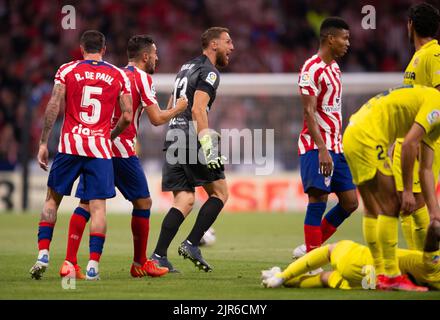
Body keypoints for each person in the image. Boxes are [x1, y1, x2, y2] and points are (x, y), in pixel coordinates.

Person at [57, 35, 188, 280]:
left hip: (97, 148)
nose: (157, 58)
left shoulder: (113, 73)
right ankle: (139, 263)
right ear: (146, 56)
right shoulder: (142, 79)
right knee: (143, 203)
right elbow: (157, 119)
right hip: (122, 151)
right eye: (155, 54)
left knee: (86, 203)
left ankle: (70, 262)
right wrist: (178, 108)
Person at [29, 30, 133, 280]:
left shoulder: (67, 70)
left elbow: (54, 104)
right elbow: (128, 115)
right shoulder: (118, 75)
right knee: (98, 209)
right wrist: (109, 136)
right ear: (104, 49)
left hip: (69, 146)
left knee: (52, 200)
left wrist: (44, 142)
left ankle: (43, 254)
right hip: (99, 149)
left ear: (81, 48)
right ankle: (93, 266)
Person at [150, 27, 234, 272]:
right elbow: (197, 110)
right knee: (219, 193)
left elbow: (172, 105)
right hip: (189, 137)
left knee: (185, 199)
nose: (232, 47)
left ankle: (158, 255)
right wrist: (208, 147)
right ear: (214, 45)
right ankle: (192, 243)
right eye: (228, 42)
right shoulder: (209, 72)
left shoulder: (185, 68)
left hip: (174, 136)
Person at [342, 84, 440, 291]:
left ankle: (381, 275)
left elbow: (425, 169)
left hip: (354, 132)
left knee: (372, 209)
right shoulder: (436, 104)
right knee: (392, 205)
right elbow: (408, 144)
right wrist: (406, 190)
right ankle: (392, 275)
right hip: (367, 137)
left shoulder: (433, 116)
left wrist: (434, 213)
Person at [294, 17, 358, 259]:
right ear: (331, 39)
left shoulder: (334, 68)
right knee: (318, 198)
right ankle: (312, 259)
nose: (347, 43)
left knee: (350, 202)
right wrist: (322, 149)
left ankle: (310, 247)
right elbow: (308, 112)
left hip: (336, 146)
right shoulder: (311, 68)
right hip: (316, 146)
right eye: (344, 38)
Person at [261, 220, 439, 291]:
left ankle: (282, 276)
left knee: (331, 249)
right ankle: (281, 278)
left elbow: (434, 228)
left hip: (361, 260)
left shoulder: (434, 266)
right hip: (363, 283)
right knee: (324, 278)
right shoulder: (435, 280)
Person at [390, 2, 440, 251]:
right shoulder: (418, 57)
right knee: (407, 204)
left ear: (410, 25)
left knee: (413, 201)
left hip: (422, 141)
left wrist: (422, 135)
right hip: (410, 140)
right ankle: (421, 262)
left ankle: (428, 265)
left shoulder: (433, 54)